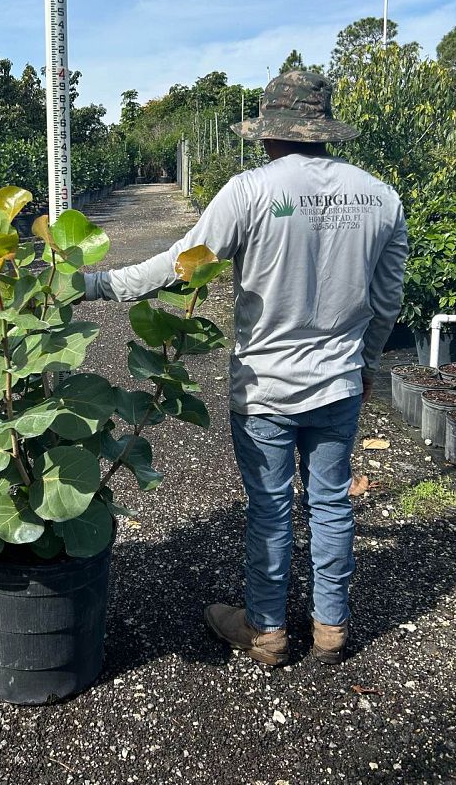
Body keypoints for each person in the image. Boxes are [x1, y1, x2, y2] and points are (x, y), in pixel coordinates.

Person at [84, 70, 408, 667]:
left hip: (266, 388)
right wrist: (366, 361)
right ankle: (332, 626)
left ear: (270, 134)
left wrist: (99, 284)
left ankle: (267, 631)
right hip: (337, 383)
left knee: (270, 509)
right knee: (332, 503)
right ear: (324, 130)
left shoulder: (251, 191)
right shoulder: (380, 197)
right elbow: (387, 300)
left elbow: (181, 265)